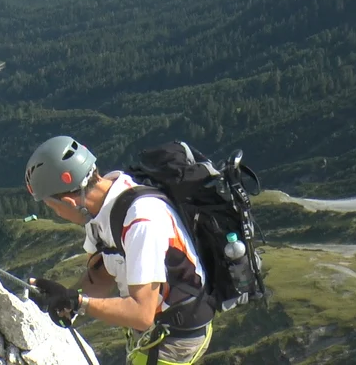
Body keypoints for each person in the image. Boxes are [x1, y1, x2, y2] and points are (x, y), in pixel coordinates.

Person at [23, 135, 214, 365]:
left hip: (176, 335)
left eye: (53, 207)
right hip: (157, 327)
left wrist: (79, 303)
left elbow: (141, 314)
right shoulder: (101, 208)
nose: (57, 215)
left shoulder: (141, 221)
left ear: (68, 201)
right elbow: (103, 273)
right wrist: (63, 299)